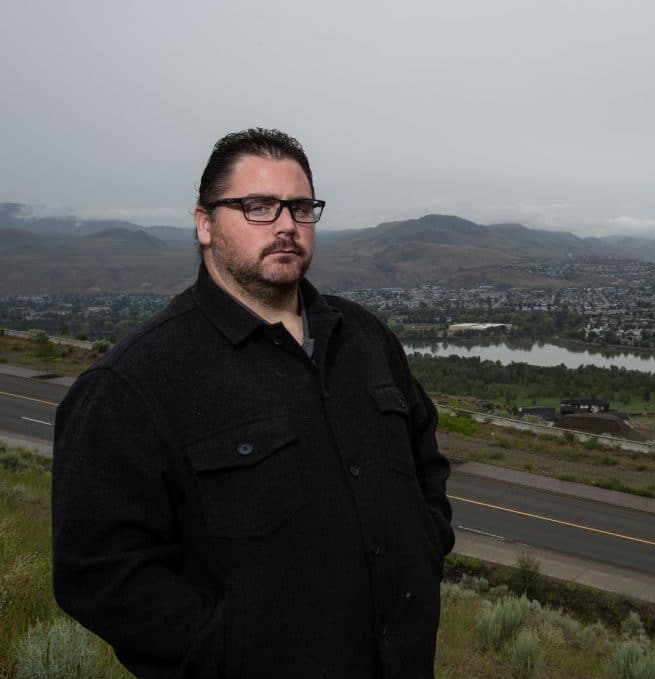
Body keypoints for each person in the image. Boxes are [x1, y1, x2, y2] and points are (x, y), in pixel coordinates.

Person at [52, 128, 454, 678]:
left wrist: (424, 548)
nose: (287, 224)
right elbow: (100, 574)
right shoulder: (132, 384)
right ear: (204, 223)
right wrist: (234, 651)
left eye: (300, 207)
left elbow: (425, 459)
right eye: (258, 207)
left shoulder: (365, 338)